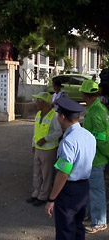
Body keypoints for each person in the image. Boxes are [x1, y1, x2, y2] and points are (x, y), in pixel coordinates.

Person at [45, 97, 96, 240]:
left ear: (62, 116)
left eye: (57, 114)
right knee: (78, 227)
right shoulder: (89, 136)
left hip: (69, 191)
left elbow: (63, 173)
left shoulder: (67, 142)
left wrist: (51, 199)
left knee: (65, 231)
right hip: (84, 187)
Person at [79, 80, 109, 233]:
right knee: (91, 189)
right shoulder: (96, 109)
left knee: (96, 190)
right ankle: (90, 215)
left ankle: (99, 221)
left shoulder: (96, 113)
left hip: (96, 158)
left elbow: (101, 139)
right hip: (93, 157)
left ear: (86, 95)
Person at [26, 92, 62, 207]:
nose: (36, 103)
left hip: (48, 149)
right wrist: (33, 144)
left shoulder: (54, 116)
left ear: (45, 103)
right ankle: (36, 193)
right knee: (37, 172)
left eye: (38, 101)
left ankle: (43, 196)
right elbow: (36, 131)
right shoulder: (38, 114)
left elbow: (58, 132)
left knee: (46, 174)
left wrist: (46, 139)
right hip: (38, 148)